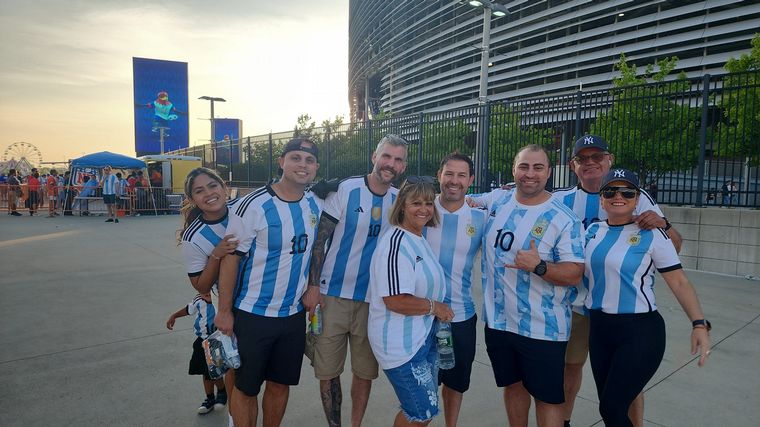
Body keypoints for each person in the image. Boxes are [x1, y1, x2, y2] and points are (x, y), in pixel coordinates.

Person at [552, 135, 683, 427]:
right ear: (574, 166)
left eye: (596, 156)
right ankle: (565, 421)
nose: (590, 163)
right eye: (582, 159)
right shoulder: (561, 200)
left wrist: (664, 224)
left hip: (622, 308)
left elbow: (674, 247)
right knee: (570, 370)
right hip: (575, 304)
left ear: (609, 159)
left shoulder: (635, 196)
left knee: (628, 384)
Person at [584, 168, 711, 427]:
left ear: (637, 198)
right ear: (601, 198)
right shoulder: (592, 232)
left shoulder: (652, 234)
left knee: (612, 407)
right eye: (610, 191)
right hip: (599, 329)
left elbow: (678, 280)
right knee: (609, 407)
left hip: (639, 331)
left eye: (627, 192)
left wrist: (699, 324)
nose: (618, 196)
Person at [301, 134, 408, 427]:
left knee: (364, 373)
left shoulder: (399, 200)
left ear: (403, 165)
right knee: (327, 371)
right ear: (374, 157)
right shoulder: (346, 189)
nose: (391, 164)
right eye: (386, 156)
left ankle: (355, 424)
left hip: (372, 302)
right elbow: (320, 241)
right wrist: (312, 287)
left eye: (398, 159)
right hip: (330, 296)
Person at [215, 137, 322, 427]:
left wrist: (313, 285)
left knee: (280, 385)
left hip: (292, 315)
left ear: (316, 168)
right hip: (252, 314)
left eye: (309, 160)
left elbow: (315, 247)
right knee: (246, 388)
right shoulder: (253, 204)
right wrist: (224, 310)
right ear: (282, 162)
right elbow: (231, 259)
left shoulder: (314, 203)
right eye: (296, 158)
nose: (302, 165)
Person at [479, 144, 585, 427]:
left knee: (548, 399)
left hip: (543, 328)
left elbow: (575, 273)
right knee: (513, 387)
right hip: (499, 323)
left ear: (548, 173)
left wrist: (539, 266)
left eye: (538, 168)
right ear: (514, 170)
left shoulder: (564, 219)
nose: (530, 174)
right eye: (524, 166)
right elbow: (455, 197)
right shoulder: (497, 202)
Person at [367, 176, 454, 427]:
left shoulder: (417, 237)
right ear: (402, 205)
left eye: (429, 203)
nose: (424, 209)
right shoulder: (395, 243)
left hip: (422, 336)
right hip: (401, 345)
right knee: (421, 410)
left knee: (420, 409)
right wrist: (435, 307)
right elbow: (394, 300)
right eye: (416, 203)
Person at [422, 152, 486, 427]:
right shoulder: (421, 211)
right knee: (423, 385)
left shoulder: (481, 218)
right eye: (449, 174)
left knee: (456, 384)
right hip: (420, 316)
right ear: (439, 175)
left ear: (470, 180)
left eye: (461, 175)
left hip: (461, 316)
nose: (454, 181)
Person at [179, 167, 239, 427]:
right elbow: (200, 285)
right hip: (229, 311)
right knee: (234, 370)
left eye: (213, 186)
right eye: (199, 191)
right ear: (192, 200)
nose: (209, 194)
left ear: (223, 186)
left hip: (262, 302)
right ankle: (235, 419)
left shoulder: (243, 208)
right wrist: (216, 254)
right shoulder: (193, 237)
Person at [166, 291, 228, 415]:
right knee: (204, 371)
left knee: (215, 370)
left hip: (216, 341)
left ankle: (222, 391)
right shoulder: (198, 299)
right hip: (201, 340)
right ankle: (209, 398)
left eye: (210, 291)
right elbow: (189, 309)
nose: (206, 294)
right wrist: (174, 315)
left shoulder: (222, 301)